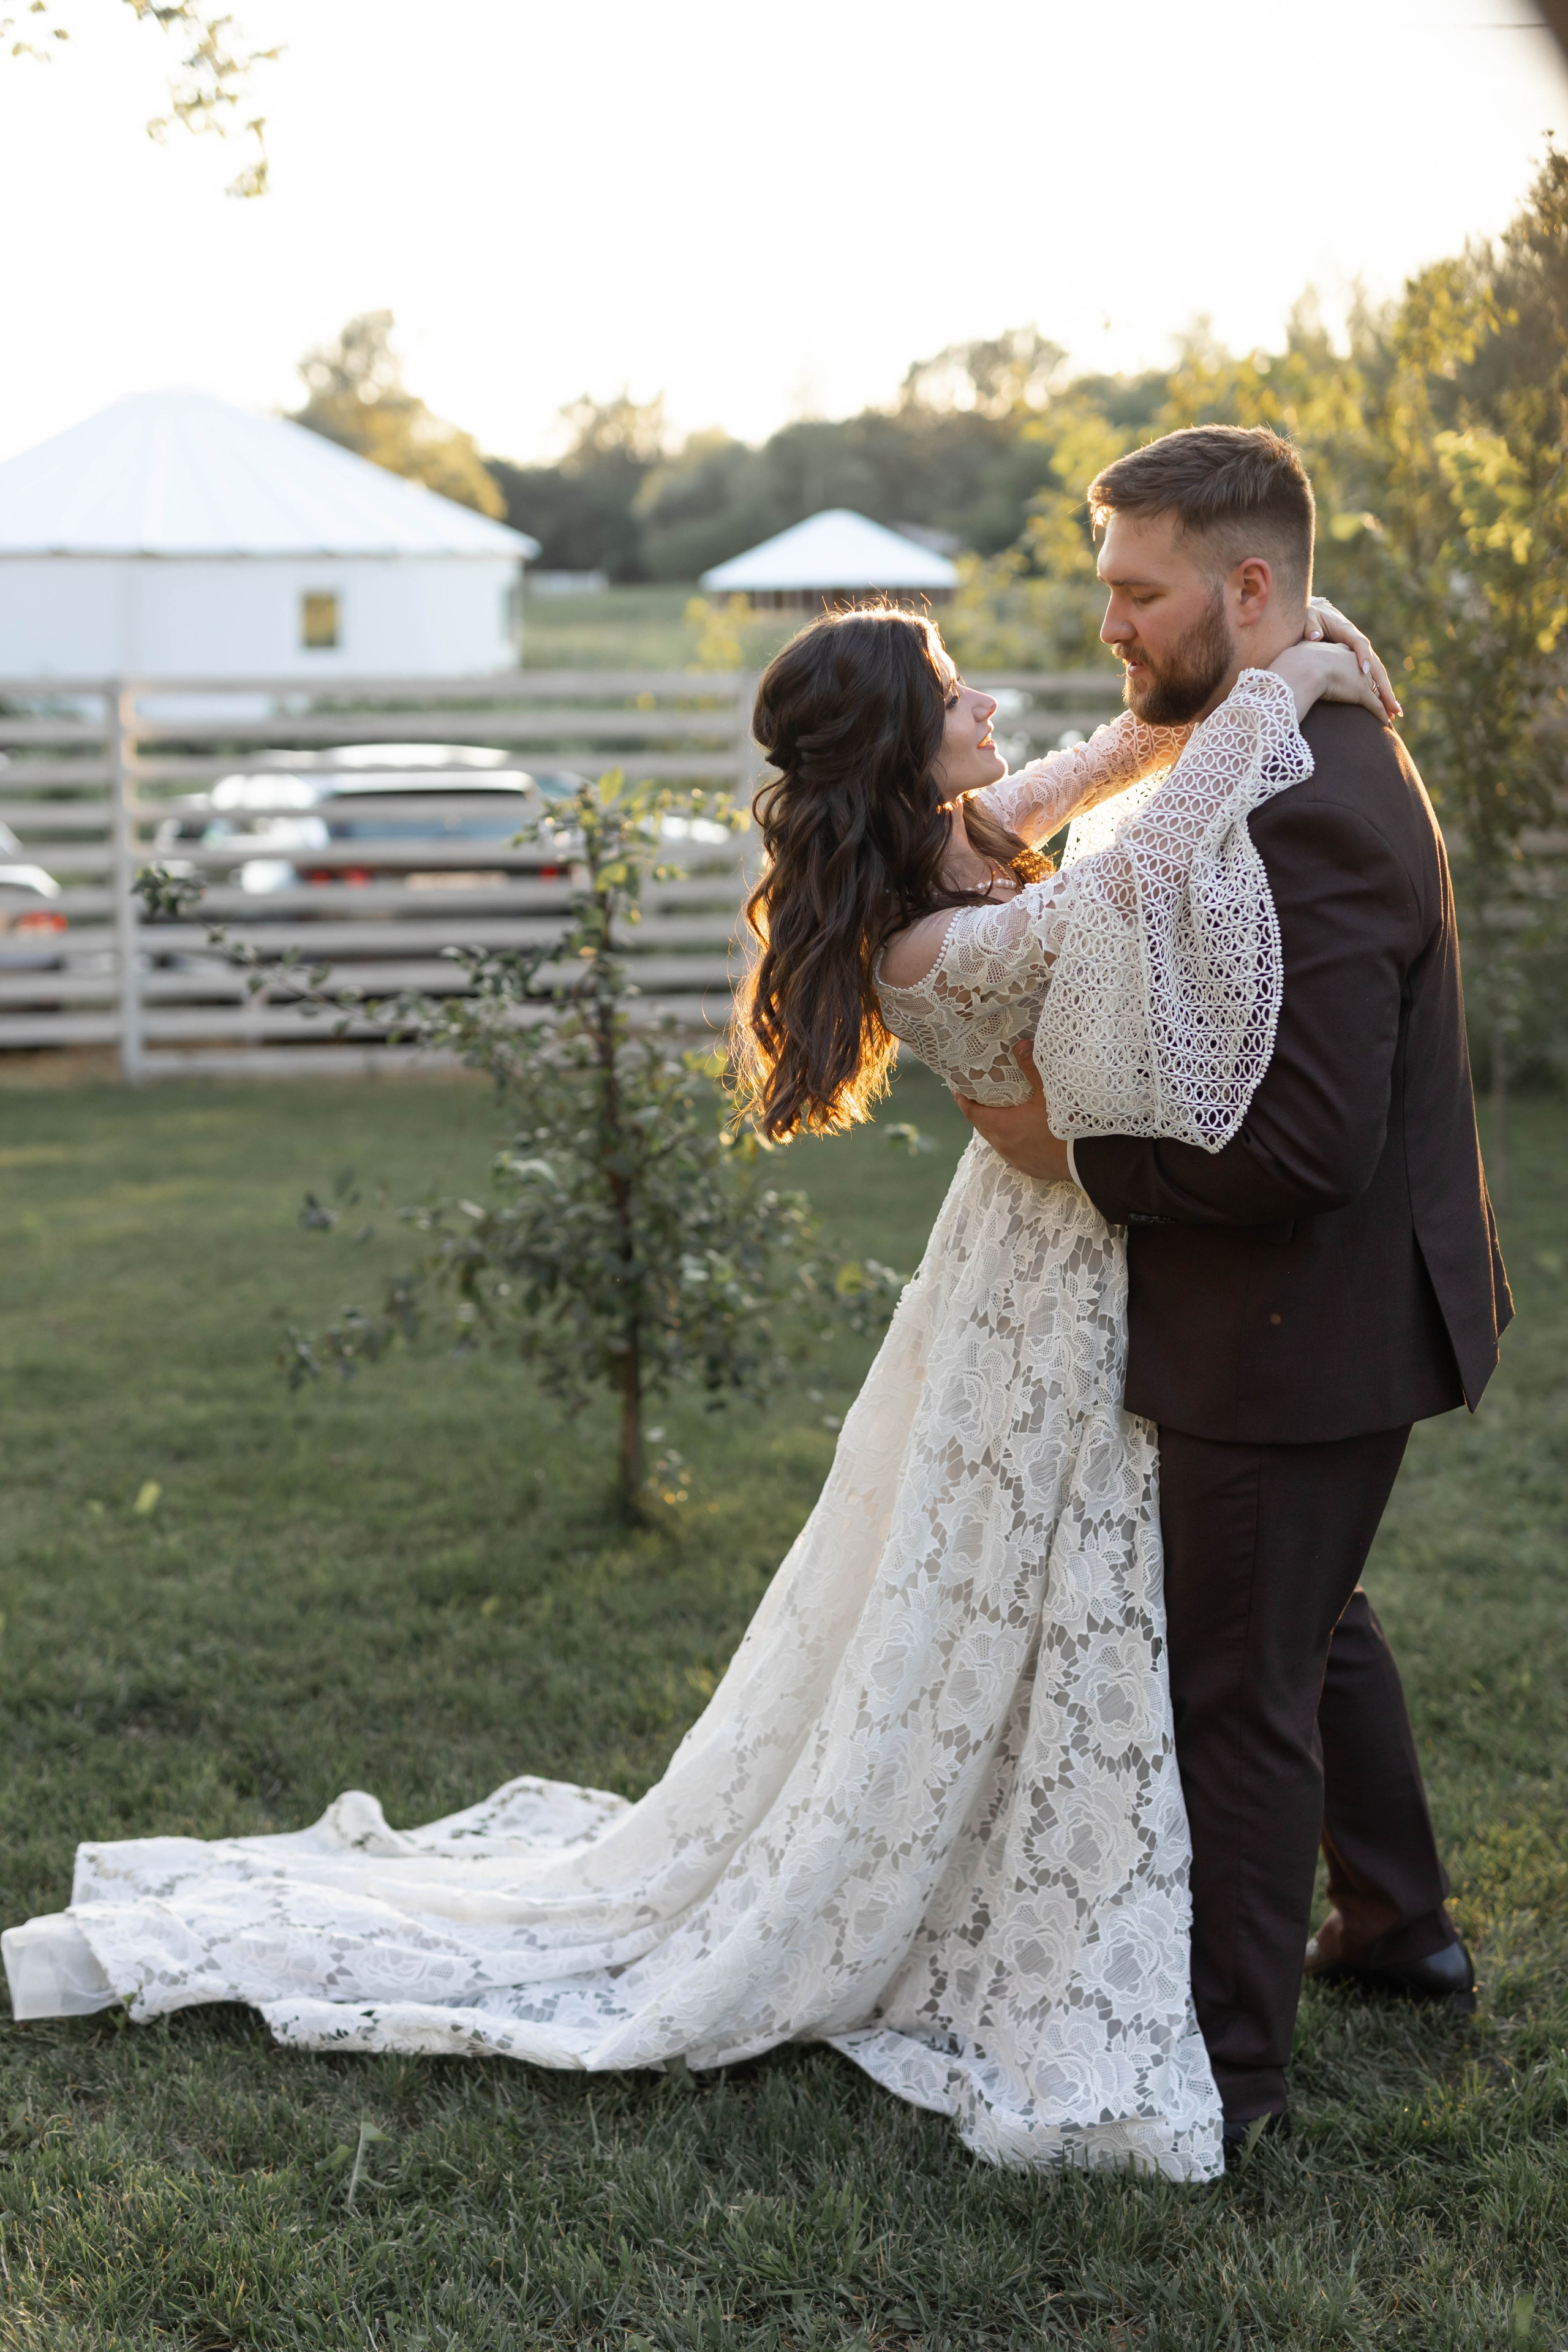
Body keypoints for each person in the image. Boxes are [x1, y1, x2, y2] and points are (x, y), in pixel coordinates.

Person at [2, 562, 1384, 2185]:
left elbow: (1104, 774)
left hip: (1059, 1250)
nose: (987, 709)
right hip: (1060, 1269)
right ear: (895, 745)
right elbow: (1135, 876)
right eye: (954, 696)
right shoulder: (923, 942)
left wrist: (1227, 689)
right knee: (1065, 1576)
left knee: (1065, 1592)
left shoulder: (946, 843)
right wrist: (1287, 696)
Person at [958, 424, 1512, 2149]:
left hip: (1302, 1324)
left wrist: (1080, 1163)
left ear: (1249, 588)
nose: (1114, 623)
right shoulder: (1289, 730)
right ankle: (1403, 1929)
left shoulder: (1319, 805)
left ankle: (1237, 2077)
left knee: (1239, 1687)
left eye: (1140, 590)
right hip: (1339, 1312)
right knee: (1314, 1620)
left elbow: (1306, 1150)